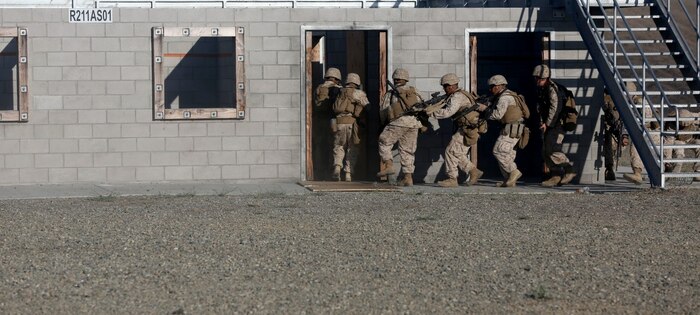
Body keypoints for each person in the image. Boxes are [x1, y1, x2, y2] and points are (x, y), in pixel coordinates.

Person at [431, 73, 484, 188]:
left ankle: (452, 179)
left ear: (450, 86)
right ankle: (473, 171)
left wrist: (431, 112)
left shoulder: (457, 96)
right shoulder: (463, 94)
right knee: (457, 152)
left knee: (450, 151)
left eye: (445, 86)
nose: (444, 89)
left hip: (466, 129)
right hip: (468, 128)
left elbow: (448, 112)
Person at [376, 68, 424, 186]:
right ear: (406, 79)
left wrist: (383, 124)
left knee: (383, 141)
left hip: (398, 122)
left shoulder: (391, 93)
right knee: (408, 150)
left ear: (394, 78)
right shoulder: (415, 91)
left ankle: (389, 166)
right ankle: (408, 178)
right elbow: (423, 106)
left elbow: (383, 110)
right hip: (413, 123)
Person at [476, 74, 527, 187]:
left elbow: (497, 115)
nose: (490, 89)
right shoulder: (506, 95)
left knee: (498, 151)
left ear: (499, 86)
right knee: (508, 154)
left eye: (492, 86)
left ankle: (514, 172)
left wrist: (484, 110)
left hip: (511, 129)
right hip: (514, 128)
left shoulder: (505, 97)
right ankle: (509, 180)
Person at [533, 64, 577, 187]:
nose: (537, 81)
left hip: (557, 125)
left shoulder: (552, 89)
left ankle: (569, 169)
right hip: (551, 124)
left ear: (545, 78)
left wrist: (547, 123)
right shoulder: (543, 89)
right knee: (546, 151)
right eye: (536, 78)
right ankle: (555, 176)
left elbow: (555, 107)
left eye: (539, 78)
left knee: (552, 150)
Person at [331, 73, 370, 182]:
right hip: (352, 123)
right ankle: (348, 174)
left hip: (339, 123)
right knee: (352, 148)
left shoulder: (340, 91)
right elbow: (368, 107)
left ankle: (337, 168)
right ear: (357, 82)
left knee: (338, 146)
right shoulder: (359, 93)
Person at [313, 67, 342, 180]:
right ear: (337, 78)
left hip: (319, 121)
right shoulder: (339, 89)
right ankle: (333, 171)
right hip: (333, 121)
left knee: (320, 146)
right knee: (335, 146)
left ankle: (320, 172)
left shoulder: (320, 88)